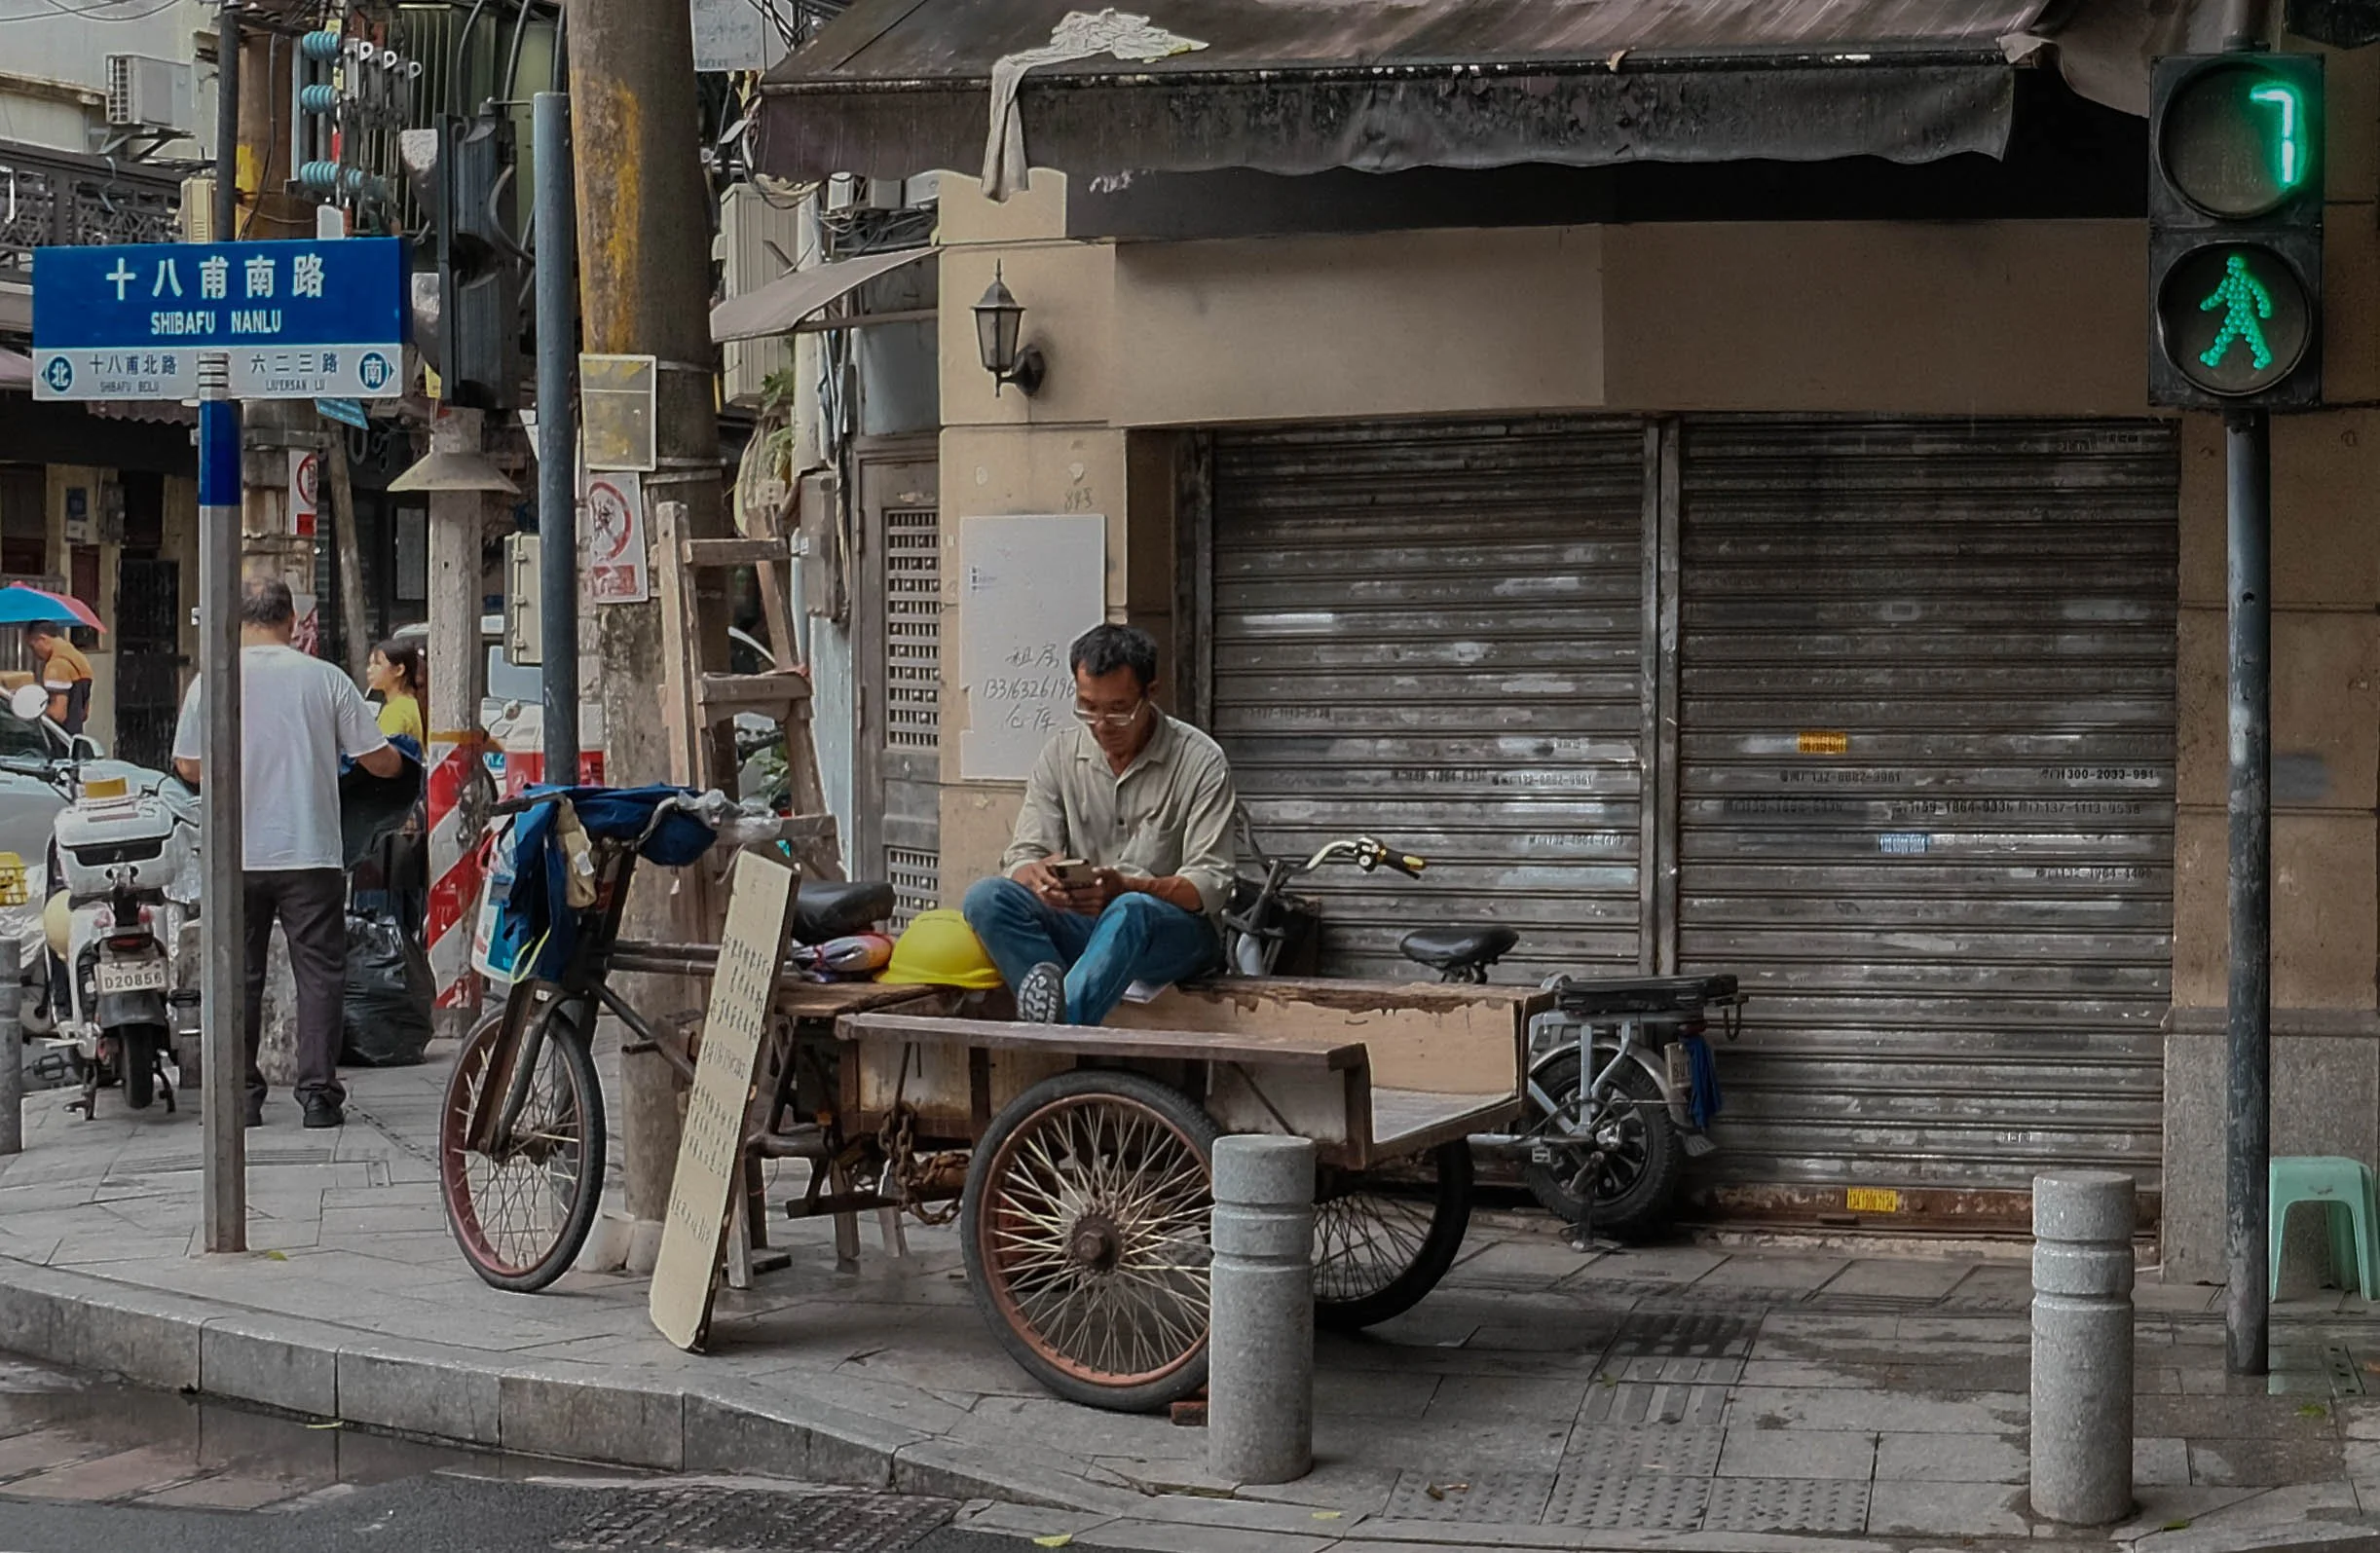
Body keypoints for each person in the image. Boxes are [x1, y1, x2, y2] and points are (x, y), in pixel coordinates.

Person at [172, 577, 402, 1129]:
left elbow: (189, 767)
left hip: (238, 853)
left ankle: (242, 1098)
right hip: (310, 851)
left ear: (238, 619)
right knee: (320, 972)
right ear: (293, 620)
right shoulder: (325, 679)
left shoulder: (212, 682)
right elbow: (379, 761)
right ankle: (319, 1095)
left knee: (239, 974)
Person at [962, 623, 1237, 1026]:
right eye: (1087, 707)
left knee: (1130, 910)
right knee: (986, 897)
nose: (1102, 724)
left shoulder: (1200, 761)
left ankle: (1060, 1026)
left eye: (1119, 710)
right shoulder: (1060, 754)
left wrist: (1129, 886)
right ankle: (1059, 1009)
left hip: (1172, 937)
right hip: (1085, 928)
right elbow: (1024, 854)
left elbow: (1210, 885)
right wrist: (1036, 877)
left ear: (1151, 693)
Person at [24, 622, 91, 737]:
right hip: (74, 740)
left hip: (57, 741)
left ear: (42, 639)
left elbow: (57, 714)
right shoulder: (80, 660)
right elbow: (84, 714)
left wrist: (31, 719)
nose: (34, 653)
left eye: (32, 646)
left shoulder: (56, 665)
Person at [366, 639, 426, 747]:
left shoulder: (396, 711)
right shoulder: (409, 702)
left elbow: (385, 758)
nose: (369, 670)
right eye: (370, 664)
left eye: (377, 664)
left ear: (399, 670)